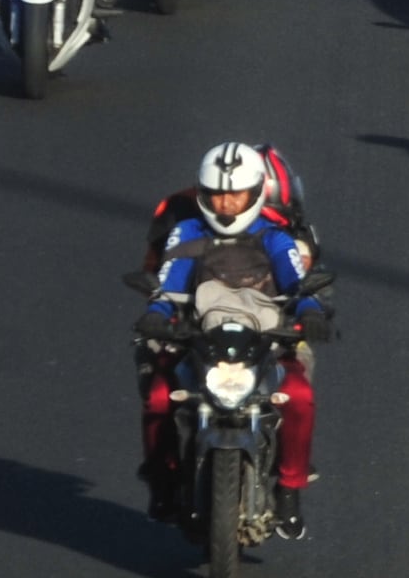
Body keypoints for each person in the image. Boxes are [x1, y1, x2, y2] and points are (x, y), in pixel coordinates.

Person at [135, 141, 333, 535]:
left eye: (235, 194)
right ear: (203, 194)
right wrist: (157, 316)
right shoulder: (185, 232)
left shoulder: (275, 237)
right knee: (159, 397)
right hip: (196, 341)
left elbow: (298, 284)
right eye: (217, 195)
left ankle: (290, 490)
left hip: (265, 341)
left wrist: (309, 312)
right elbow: (168, 285)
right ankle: (164, 481)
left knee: (298, 396)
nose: (226, 204)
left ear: (256, 192)